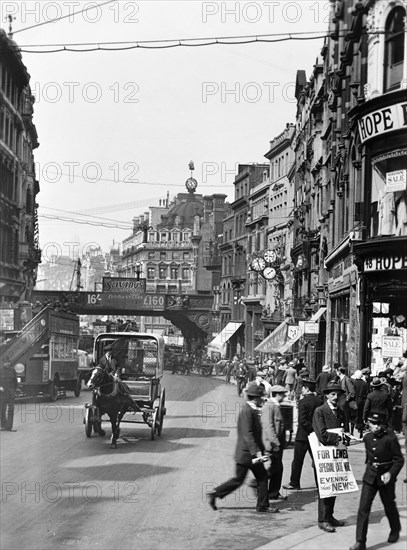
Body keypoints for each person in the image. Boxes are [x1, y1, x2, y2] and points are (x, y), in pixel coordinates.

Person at [207, 382, 278, 513]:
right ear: (255, 398)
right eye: (261, 397)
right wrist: (257, 452)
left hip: (245, 454)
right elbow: (248, 434)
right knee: (259, 478)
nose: (262, 399)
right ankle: (262, 505)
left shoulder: (251, 410)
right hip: (248, 455)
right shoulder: (247, 411)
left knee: (241, 480)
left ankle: (215, 493)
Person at [349, 412, 404, 550]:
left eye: (379, 424)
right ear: (368, 423)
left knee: (389, 505)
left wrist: (391, 474)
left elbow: (399, 459)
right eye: (373, 423)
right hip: (370, 477)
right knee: (363, 508)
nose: (376, 427)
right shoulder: (367, 438)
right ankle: (360, 542)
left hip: (385, 478)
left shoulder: (390, 439)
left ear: (384, 424)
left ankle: (395, 529)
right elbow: (370, 457)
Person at [312, 382, 346, 533]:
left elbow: (344, 431)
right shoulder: (320, 411)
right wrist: (339, 438)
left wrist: (346, 438)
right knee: (325, 489)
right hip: (323, 458)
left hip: (336, 456)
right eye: (332, 394)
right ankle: (323, 520)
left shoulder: (340, 412)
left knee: (334, 486)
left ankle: (330, 516)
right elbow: (323, 435)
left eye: (338, 394)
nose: (335, 397)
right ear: (326, 395)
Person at [283, 379, 321, 490]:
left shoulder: (303, 402)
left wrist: (310, 429)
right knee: (316, 461)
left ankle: (295, 483)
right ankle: (320, 483)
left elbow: (302, 421)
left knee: (297, 461)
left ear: (307, 389)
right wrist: (315, 430)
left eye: (303, 388)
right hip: (315, 436)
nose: (302, 390)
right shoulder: (319, 401)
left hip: (303, 436)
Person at [261, 384, 288, 501]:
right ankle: (259, 482)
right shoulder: (269, 406)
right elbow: (268, 426)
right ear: (277, 394)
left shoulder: (275, 405)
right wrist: (275, 443)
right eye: (283, 394)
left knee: (277, 467)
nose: (285, 396)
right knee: (275, 467)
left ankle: (273, 492)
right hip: (272, 443)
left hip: (277, 443)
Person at [0, 363, 18, 431]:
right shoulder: (0, 370)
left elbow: (15, 382)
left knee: (11, 410)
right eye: (6, 362)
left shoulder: (12, 371)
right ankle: (3, 426)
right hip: (2, 393)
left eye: (8, 362)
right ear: (3, 363)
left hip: (11, 394)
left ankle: (9, 427)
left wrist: (14, 390)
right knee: (2, 410)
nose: (7, 364)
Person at [350, 370, 368, 439]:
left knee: (353, 416)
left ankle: (352, 432)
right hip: (362, 401)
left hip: (354, 400)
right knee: (361, 416)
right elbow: (367, 393)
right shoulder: (365, 384)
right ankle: (361, 433)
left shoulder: (353, 383)